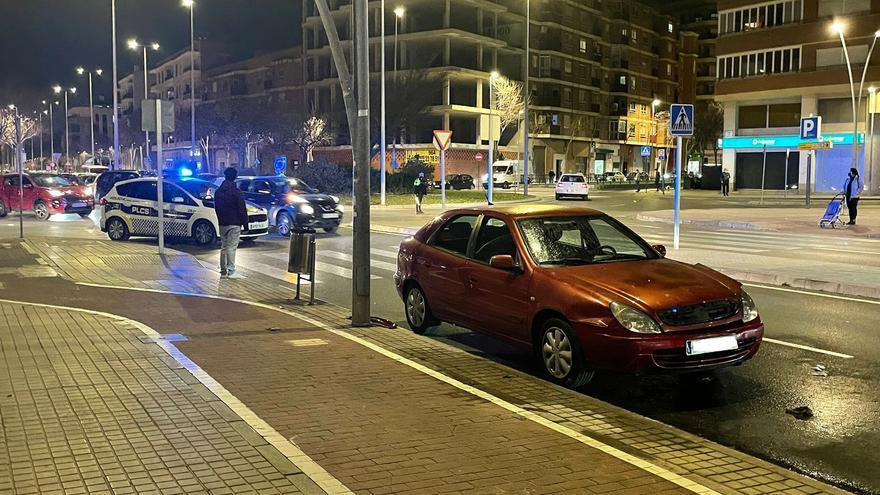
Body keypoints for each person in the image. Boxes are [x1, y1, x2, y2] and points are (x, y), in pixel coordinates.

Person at [214, 167, 249, 279]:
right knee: (231, 247)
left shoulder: (218, 192)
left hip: (222, 223)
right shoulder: (236, 192)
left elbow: (217, 208)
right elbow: (242, 210)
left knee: (224, 246)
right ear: (235, 177)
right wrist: (246, 225)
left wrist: (220, 219)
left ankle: (223, 269)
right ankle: (231, 270)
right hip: (234, 223)